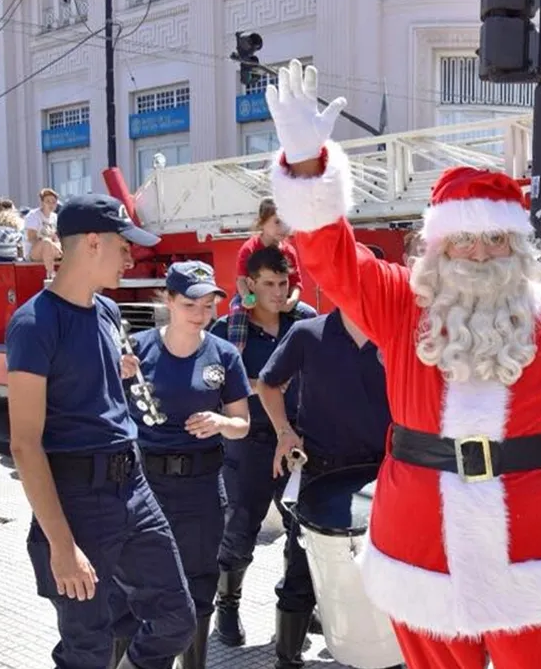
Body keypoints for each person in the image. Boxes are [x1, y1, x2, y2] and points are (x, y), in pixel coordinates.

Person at [261, 60, 541, 668]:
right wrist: (307, 165)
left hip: (532, 541)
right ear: (439, 245)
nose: (480, 253)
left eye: (495, 240)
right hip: (421, 540)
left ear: (517, 247)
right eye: (464, 239)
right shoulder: (401, 302)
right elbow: (332, 261)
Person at [5, 193, 195, 669]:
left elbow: (95, 383)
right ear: (92, 243)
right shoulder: (34, 323)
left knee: (177, 620)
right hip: (76, 498)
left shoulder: (108, 312)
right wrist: (62, 546)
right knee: (86, 651)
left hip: (132, 486)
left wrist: (119, 371)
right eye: (123, 245)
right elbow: (24, 445)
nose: (131, 257)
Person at [108, 261, 252, 669]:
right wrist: (114, 377)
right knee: (131, 588)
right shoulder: (135, 350)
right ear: (168, 300)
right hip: (143, 485)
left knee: (197, 587)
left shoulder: (223, 354)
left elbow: (243, 424)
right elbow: (102, 413)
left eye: (209, 305)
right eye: (191, 303)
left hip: (201, 490)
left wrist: (222, 422)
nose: (202, 313)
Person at [256, 306, 393, 668]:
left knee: (392, 575)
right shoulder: (307, 333)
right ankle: (287, 660)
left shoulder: (397, 332)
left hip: (387, 478)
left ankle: (390, 656)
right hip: (320, 477)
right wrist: (284, 431)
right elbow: (267, 383)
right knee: (300, 574)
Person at [208, 245, 315, 647]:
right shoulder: (227, 330)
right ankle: (227, 607)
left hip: (297, 444)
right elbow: (212, 388)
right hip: (248, 445)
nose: (276, 291)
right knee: (239, 531)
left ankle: (295, 606)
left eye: (283, 283)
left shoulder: (304, 324)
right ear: (249, 285)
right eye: (267, 283)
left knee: (301, 531)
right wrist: (258, 386)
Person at [232, 197, 302, 313]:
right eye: (277, 222)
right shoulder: (249, 248)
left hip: (280, 298)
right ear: (262, 222)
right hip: (251, 296)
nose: (284, 227)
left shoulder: (289, 251)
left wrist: (293, 300)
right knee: (237, 313)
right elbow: (241, 279)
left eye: (287, 222)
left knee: (308, 312)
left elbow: (296, 282)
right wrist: (247, 297)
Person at [24, 187, 63, 277]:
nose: (51, 204)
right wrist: (51, 245)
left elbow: (56, 238)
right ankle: (50, 273)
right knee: (46, 242)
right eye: (48, 201)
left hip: (51, 250)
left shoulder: (55, 217)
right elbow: (32, 238)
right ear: (42, 203)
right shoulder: (33, 215)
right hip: (33, 252)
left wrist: (57, 246)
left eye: (53, 202)